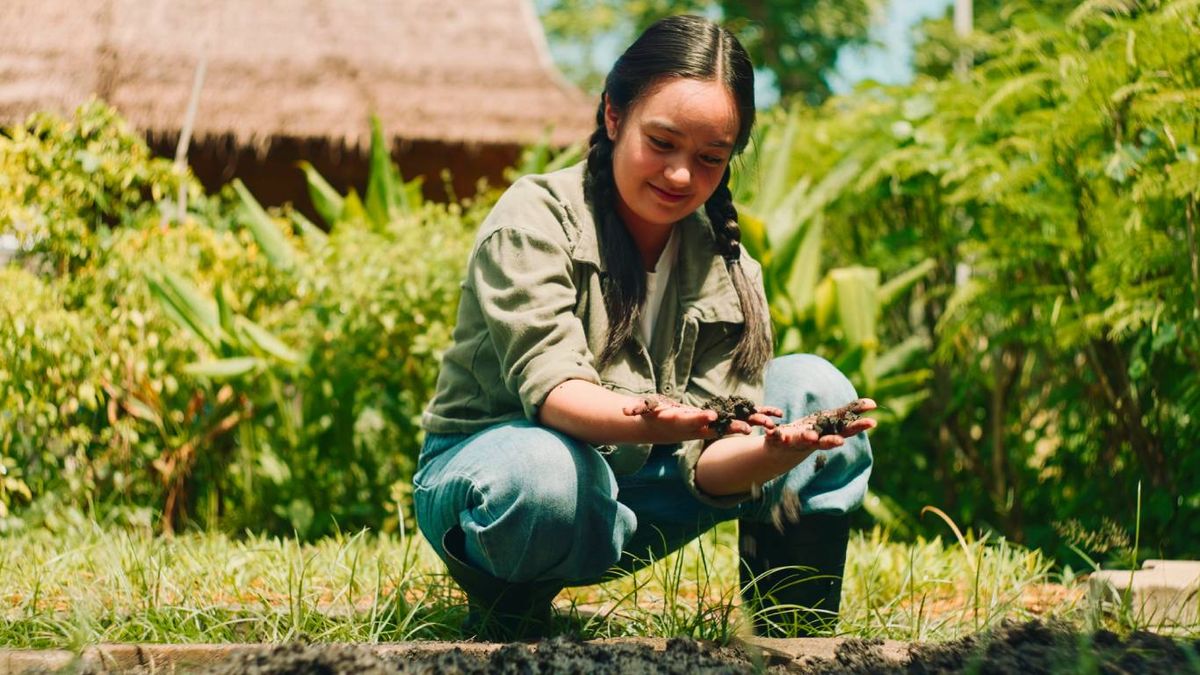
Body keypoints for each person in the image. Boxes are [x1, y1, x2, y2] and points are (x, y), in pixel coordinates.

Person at [415, 14, 875, 640]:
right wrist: (674, 417)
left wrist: (771, 453)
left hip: (637, 491)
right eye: (661, 143)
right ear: (613, 116)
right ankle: (510, 623)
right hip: (504, 485)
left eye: (710, 158)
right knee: (543, 474)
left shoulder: (729, 268)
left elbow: (705, 465)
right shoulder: (534, 218)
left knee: (818, 391)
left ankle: (792, 634)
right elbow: (555, 395)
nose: (681, 175)